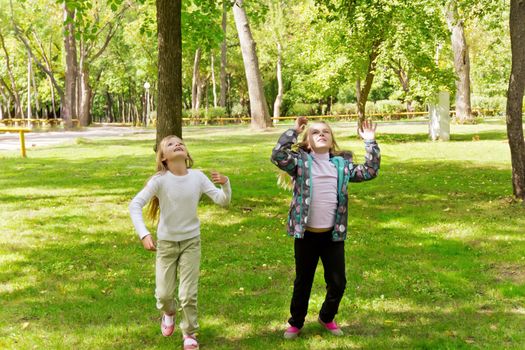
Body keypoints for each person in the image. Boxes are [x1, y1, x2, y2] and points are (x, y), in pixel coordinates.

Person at [270, 117, 380, 339]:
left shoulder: (342, 165)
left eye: (326, 132)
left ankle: (326, 317)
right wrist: (293, 131)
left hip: (332, 235)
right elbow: (277, 155)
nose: (321, 134)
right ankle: (296, 322)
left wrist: (370, 142)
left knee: (338, 282)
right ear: (308, 142)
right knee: (303, 281)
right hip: (306, 236)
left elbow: (370, 171)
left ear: (332, 140)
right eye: (315, 132)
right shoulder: (300, 163)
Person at [129, 135, 231, 350]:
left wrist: (226, 184)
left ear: (186, 154)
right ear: (164, 157)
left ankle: (189, 333)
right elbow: (135, 205)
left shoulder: (197, 177)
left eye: (180, 143)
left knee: (188, 295)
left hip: (191, 242)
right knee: (164, 295)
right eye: (170, 144)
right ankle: (168, 312)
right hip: (166, 244)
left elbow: (223, 201)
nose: (177, 144)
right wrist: (144, 234)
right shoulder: (160, 180)